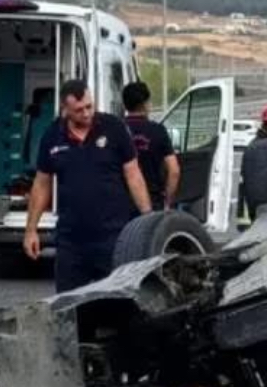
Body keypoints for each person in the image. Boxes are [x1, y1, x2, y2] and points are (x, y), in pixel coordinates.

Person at [24, 79, 152, 292]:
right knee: (69, 307)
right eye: (79, 110)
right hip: (71, 241)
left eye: (89, 106)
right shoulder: (52, 136)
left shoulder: (114, 128)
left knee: (117, 302)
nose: (86, 113)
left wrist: (148, 219)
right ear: (65, 110)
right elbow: (42, 184)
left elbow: (133, 175)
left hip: (113, 237)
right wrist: (31, 230)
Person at [122, 81, 181, 211]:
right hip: (153, 201)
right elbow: (174, 171)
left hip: (122, 203)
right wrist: (167, 201)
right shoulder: (158, 131)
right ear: (145, 104)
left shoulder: (117, 130)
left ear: (125, 105)